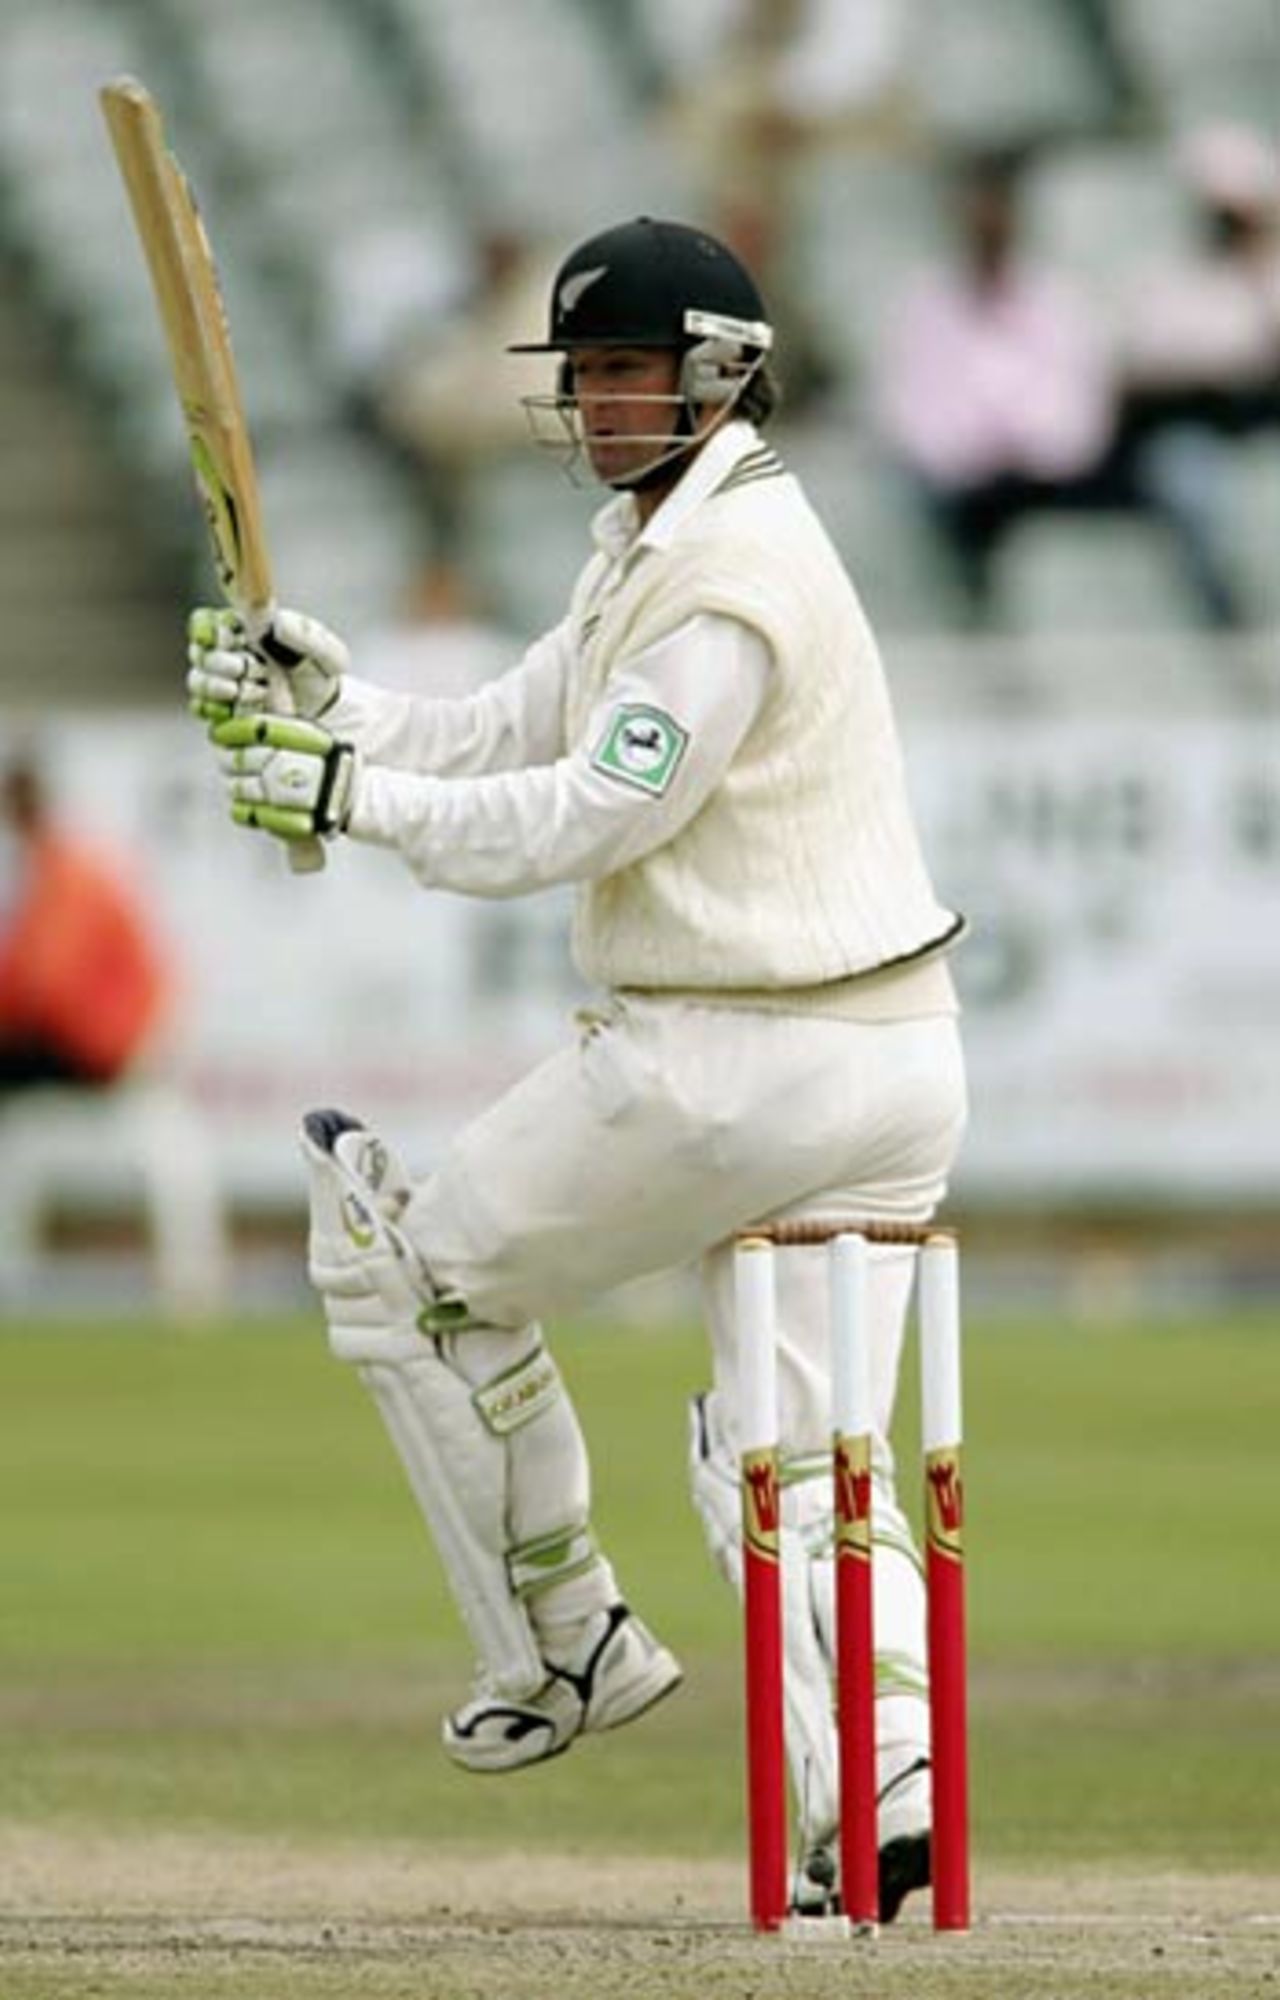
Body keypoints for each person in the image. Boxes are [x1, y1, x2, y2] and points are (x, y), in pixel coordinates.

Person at [185, 217, 967, 1924]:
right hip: (893, 1063)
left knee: (405, 1280)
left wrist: (344, 803)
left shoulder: (727, 582)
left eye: (626, 369)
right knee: (805, 1452)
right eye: (585, 373)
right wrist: (349, 711)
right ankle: (895, 1788)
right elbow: (516, 723)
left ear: (717, 373)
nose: (600, 401)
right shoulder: (662, 538)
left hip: (732, 1058)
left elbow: (595, 812)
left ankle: (565, 1645)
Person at [873, 145, 1123, 619]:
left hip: (1048, 475)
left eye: (996, 210)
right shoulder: (922, 303)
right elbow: (907, 408)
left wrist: (1031, 447)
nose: (987, 222)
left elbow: (1081, 404)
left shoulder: (1060, 299)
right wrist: (970, 454)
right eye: (976, 210)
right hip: (962, 483)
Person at [0, 754, 172, 1096]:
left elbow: (46, 981)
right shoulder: (63, 862)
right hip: (101, 1035)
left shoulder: (67, 871)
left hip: (96, 1042)